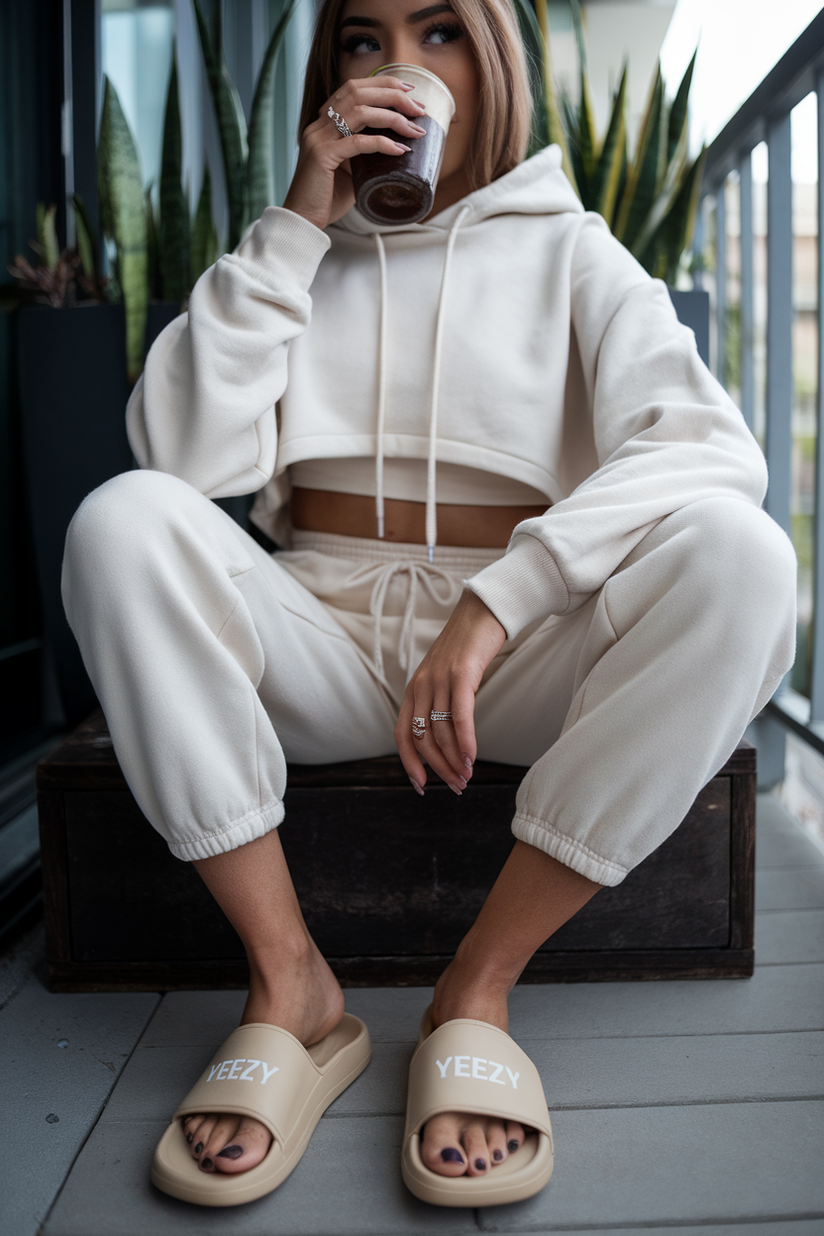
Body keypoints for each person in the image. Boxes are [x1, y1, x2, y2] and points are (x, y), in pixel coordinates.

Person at [61, 0, 797, 1210]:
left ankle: (476, 989)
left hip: (502, 667)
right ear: (329, 75)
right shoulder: (290, 251)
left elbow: (706, 448)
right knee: (120, 520)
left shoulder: (572, 249)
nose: (401, 68)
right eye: (365, 41)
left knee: (743, 558)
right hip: (317, 641)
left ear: (492, 60)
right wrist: (297, 223)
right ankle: (289, 982)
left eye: (439, 31)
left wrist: (499, 601)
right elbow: (180, 461)